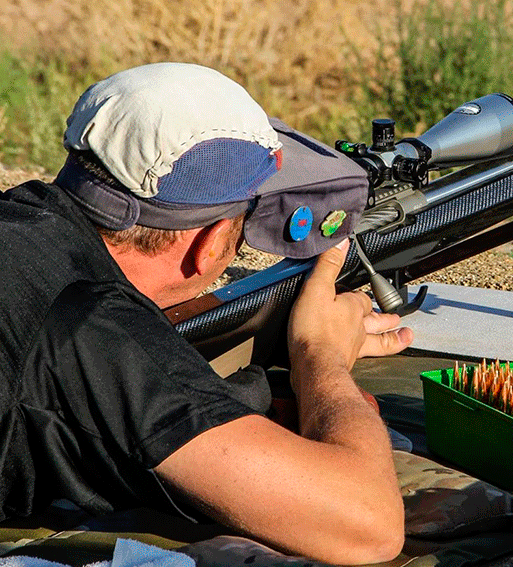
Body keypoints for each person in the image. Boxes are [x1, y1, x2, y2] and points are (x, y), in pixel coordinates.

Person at [0, 62, 414, 564]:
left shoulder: (19, 225)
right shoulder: (92, 323)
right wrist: (320, 354)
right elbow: (368, 523)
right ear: (212, 243)